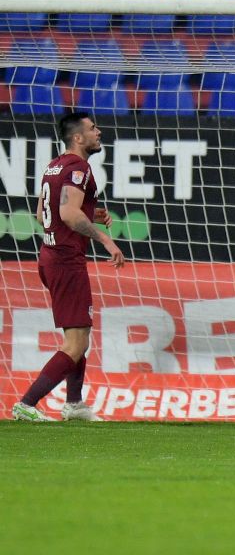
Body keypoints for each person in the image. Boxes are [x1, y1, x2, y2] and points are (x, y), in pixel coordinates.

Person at [13, 112, 126, 422]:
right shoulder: (79, 167)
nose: (99, 132)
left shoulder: (54, 165)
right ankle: (27, 404)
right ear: (78, 137)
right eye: (93, 128)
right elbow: (67, 213)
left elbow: (42, 212)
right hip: (65, 260)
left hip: (50, 256)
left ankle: (74, 404)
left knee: (79, 336)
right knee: (75, 343)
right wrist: (106, 240)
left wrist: (90, 210)